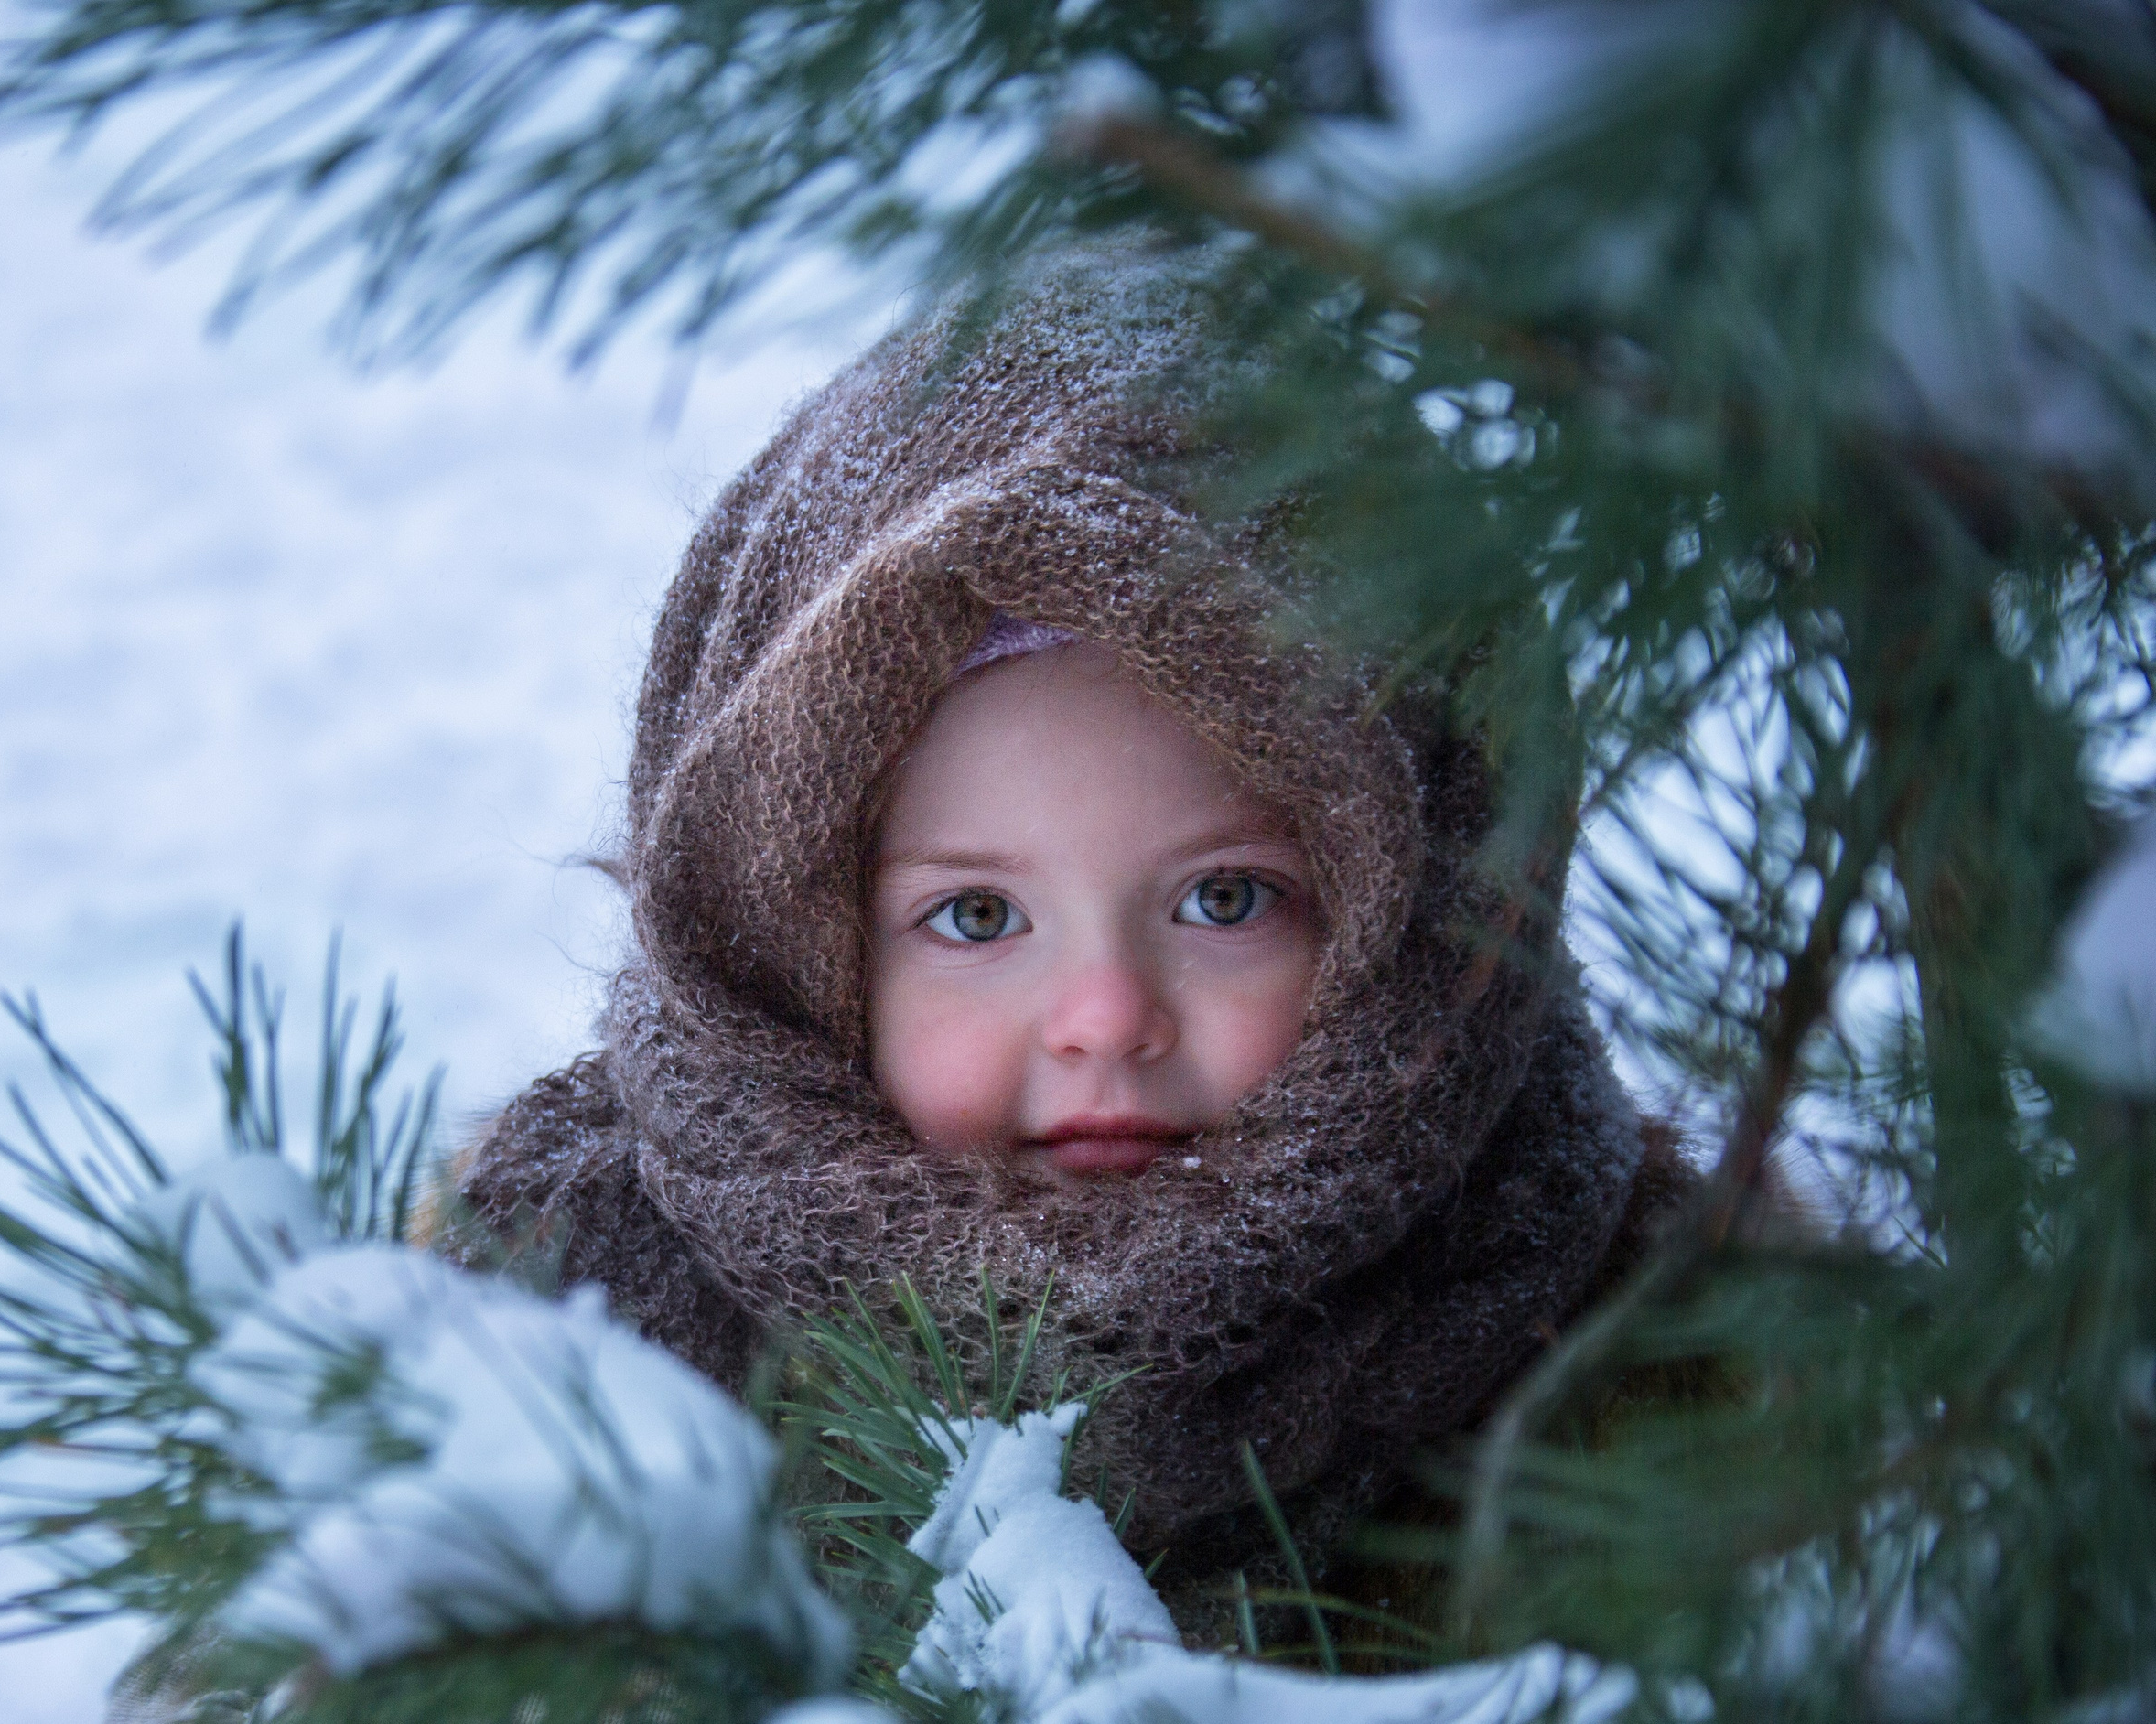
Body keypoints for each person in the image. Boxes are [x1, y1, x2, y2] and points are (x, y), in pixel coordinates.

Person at [457, 253, 1692, 1640]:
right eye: (977, 917)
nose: (1105, 1018)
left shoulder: (1672, 1397)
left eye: (1227, 899)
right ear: (790, 950)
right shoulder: (550, 1365)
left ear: (1419, 919)